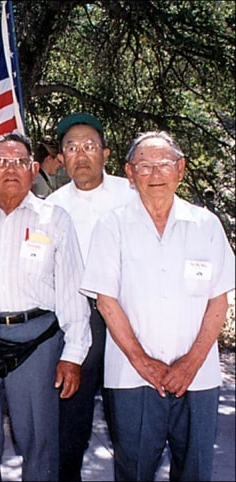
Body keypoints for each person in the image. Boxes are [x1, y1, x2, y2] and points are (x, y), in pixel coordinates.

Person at [80, 131, 235, 481]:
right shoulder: (112, 225)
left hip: (198, 378)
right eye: (144, 166)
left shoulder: (206, 225)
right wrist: (143, 362)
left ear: (180, 169)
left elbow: (219, 299)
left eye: (163, 165)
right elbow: (106, 301)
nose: (154, 174)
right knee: (133, 471)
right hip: (132, 378)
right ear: (130, 174)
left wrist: (191, 362)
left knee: (195, 471)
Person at [0, 131, 91, 481]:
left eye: (19, 162)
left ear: (32, 170)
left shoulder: (55, 219)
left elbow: (73, 291)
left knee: (39, 442)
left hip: (38, 343)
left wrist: (73, 354)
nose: (10, 169)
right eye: (0, 162)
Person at [46, 113, 136, 481]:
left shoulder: (130, 195)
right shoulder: (52, 205)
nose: (80, 155)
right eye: (71, 147)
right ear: (61, 158)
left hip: (128, 317)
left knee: (128, 420)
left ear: (106, 153)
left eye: (89, 146)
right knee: (72, 421)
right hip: (77, 320)